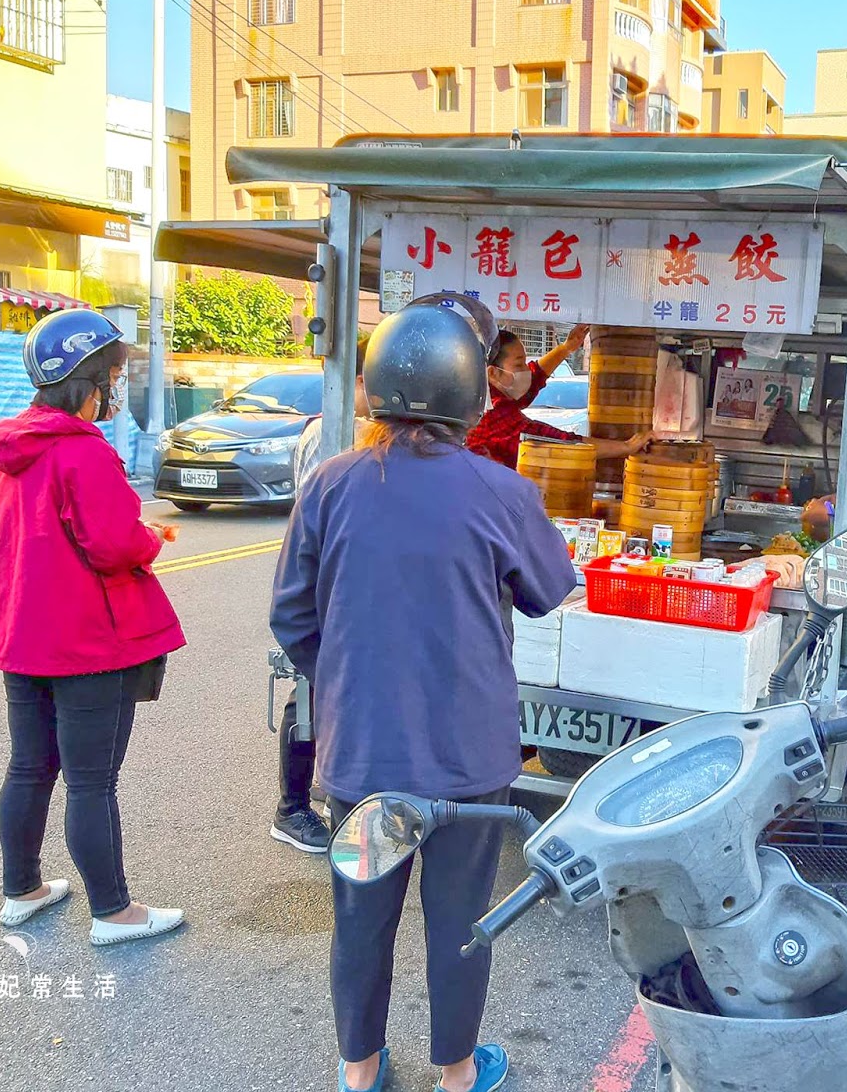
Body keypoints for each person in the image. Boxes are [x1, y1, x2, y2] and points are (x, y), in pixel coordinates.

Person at [271, 295, 575, 1092]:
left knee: (361, 919)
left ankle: (360, 1069)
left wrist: (346, 676)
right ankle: (457, 1073)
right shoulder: (501, 491)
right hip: (469, 757)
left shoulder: (330, 485)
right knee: (461, 923)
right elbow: (550, 588)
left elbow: (291, 618)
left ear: (374, 387)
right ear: (473, 397)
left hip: (364, 749)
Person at [0, 309, 186, 947]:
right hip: (86, 640)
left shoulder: (7, 447)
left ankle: (23, 890)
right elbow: (111, 544)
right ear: (87, 382)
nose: (117, 388)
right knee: (92, 780)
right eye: (114, 375)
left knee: (29, 766)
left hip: (22, 634)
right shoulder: (81, 451)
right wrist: (146, 538)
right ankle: (114, 912)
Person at [275, 335, 374, 855]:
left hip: (330, 578)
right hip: (320, 581)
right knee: (311, 690)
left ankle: (323, 788)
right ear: (356, 382)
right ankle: (291, 808)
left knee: (328, 691)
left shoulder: (352, 431)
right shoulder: (332, 434)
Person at [465, 324, 650, 468]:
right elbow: (555, 441)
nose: (525, 371)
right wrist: (625, 447)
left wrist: (567, 348)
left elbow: (534, 377)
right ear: (493, 373)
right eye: (519, 364)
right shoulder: (491, 413)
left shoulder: (486, 393)